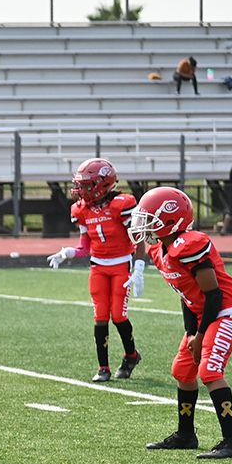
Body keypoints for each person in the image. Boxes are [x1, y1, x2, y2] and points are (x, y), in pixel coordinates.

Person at [131, 187, 232, 459]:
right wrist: (191, 333)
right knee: (183, 370)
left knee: (209, 370)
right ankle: (186, 435)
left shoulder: (190, 245)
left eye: (150, 218)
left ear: (172, 221)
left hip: (227, 308)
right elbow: (186, 295)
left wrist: (202, 333)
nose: (144, 224)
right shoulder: (160, 249)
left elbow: (214, 294)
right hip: (201, 311)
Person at [47, 159, 145, 382]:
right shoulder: (81, 209)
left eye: (86, 185)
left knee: (119, 316)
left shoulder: (123, 203)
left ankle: (131, 356)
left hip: (121, 264)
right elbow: (85, 248)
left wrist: (139, 267)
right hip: (98, 267)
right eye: (80, 185)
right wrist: (67, 253)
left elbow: (138, 238)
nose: (80, 190)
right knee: (100, 316)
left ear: (102, 184)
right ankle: (104, 368)